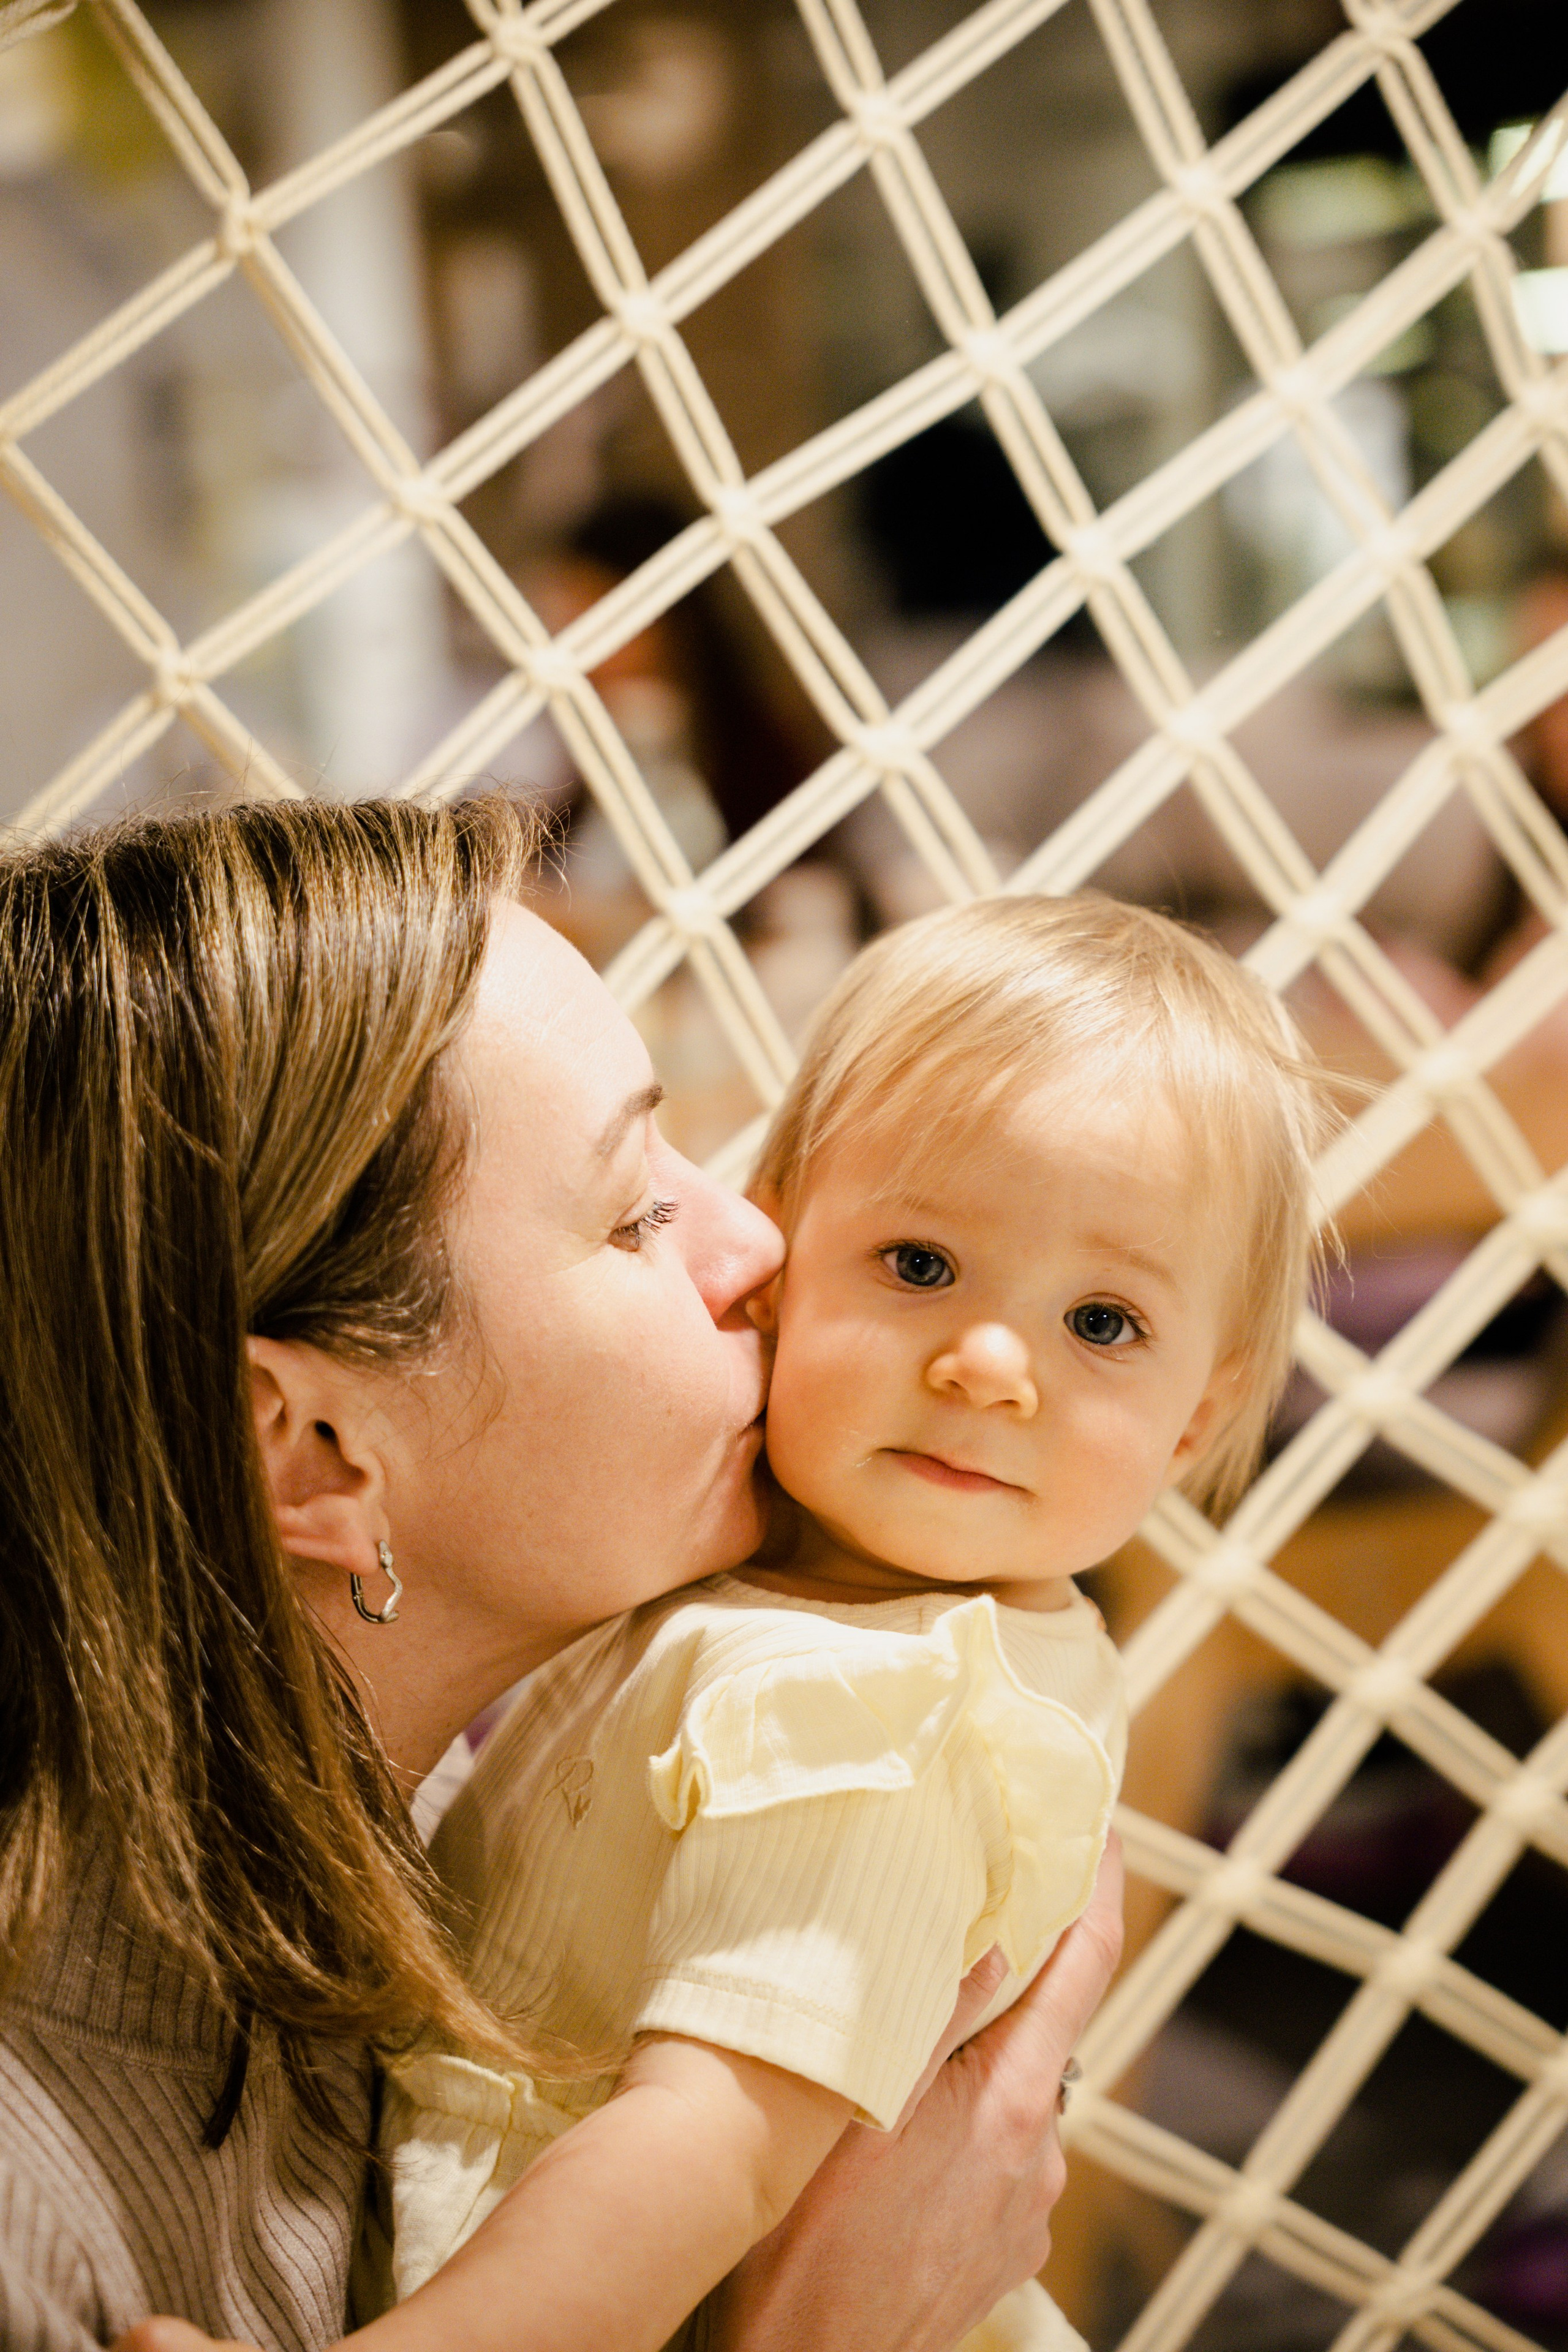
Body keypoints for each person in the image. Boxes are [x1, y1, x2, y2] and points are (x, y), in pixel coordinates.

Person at [0, 796, 1121, 2352]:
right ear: (312, 1451)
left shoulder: (357, 1886)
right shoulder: (39, 2229)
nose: (756, 1245)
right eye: (635, 1212)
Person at [369, 895, 1340, 2352]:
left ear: (1198, 1411)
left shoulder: (886, 1710)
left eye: (1102, 1325)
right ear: (782, 1245)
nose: (991, 1364)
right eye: (920, 1266)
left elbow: (717, 2150)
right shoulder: (776, 1580)